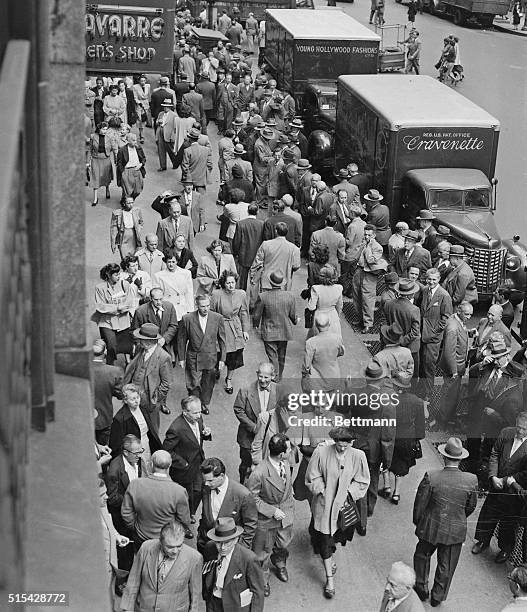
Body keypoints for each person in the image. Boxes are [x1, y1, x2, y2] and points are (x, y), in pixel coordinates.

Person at [306, 427, 370, 599]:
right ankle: (329, 580)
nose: (342, 448)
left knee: (336, 537)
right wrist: (322, 489)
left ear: (352, 442)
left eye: (346, 445)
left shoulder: (358, 456)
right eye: (339, 445)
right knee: (325, 541)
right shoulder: (321, 452)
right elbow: (312, 476)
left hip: (344, 509)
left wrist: (349, 492)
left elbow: (363, 480)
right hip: (324, 506)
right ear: (334, 441)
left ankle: (330, 559)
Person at [413, 437, 478, 607]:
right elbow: (470, 507)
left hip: (430, 526)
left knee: (422, 556)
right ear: (461, 458)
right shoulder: (471, 480)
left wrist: (419, 522)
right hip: (454, 530)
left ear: (444, 456)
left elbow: (420, 504)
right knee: (447, 565)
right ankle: (437, 596)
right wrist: (458, 518)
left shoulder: (431, 476)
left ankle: (421, 588)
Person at [472, 414, 527, 564]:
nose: (520, 431)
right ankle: (483, 541)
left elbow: (526, 472)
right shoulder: (506, 432)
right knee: (488, 514)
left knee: (508, 521)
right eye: (518, 427)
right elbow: (495, 453)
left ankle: (505, 549)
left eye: (524, 429)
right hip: (497, 484)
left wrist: (507, 480)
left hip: (514, 490)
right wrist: (493, 476)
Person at [246, 433, 294, 597]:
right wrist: (272, 511)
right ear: (281, 453)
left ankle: (280, 563)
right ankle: (263, 580)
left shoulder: (285, 463)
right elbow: (251, 498)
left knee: (283, 544)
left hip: (286, 513)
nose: (291, 451)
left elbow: (287, 486)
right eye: (289, 449)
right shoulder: (259, 473)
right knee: (263, 552)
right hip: (267, 519)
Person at [121, 519, 202, 612]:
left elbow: (196, 596)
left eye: (179, 546)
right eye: (170, 547)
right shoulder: (146, 548)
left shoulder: (194, 558)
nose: (175, 551)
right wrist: (127, 608)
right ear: (161, 541)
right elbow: (134, 580)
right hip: (144, 608)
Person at [122, 450, 192, 549]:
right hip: (168, 540)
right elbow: (184, 520)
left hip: (141, 537)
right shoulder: (179, 491)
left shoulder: (135, 484)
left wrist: (134, 527)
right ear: (170, 465)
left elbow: (126, 512)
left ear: (151, 464)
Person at [163, 396, 212, 519]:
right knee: (185, 496)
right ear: (185, 412)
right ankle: (182, 520)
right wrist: (183, 463)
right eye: (195, 413)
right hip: (183, 470)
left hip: (198, 463)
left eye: (200, 411)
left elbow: (197, 439)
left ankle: (190, 514)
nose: (199, 415)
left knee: (199, 491)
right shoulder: (176, 428)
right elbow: (166, 450)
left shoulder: (199, 420)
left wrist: (206, 434)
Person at [202, 517, 265, 612]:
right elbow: (207, 572)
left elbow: (258, 592)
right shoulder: (209, 548)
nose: (223, 547)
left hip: (235, 606)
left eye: (227, 543)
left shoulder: (249, 559)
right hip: (213, 603)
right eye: (218, 543)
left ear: (236, 539)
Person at [380, 372, 425, 506]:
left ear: (394, 385)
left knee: (385, 459)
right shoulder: (417, 401)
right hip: (407, 438)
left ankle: (387, 487)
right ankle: (396, 493)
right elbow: (420, 427)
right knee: (401, 464)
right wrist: (416, 438)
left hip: (389, 434)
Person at [177, 295, 226, 415]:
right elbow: (181, 339)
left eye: (207, 306)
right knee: (193, 383)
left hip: (210, 356)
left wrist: (222, 359)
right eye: (202, 306)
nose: (205, 309)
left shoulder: (217, 318)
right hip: (193, 356)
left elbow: (222, 340)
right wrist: (181, 358)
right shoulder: (187, 318)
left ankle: (203, 402)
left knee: (208, 382)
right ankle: (196, 405)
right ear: (197, 306)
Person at [198, 458, 258, 554]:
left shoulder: (243, 494)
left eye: (210, 480)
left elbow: (250, 525)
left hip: (229, 547)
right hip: (206, 544)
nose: (206, 484)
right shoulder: (207, 486)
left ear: (221, 476)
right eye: (205, 480)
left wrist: (240, 550)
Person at [106, 434, 148, 571]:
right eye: (136, 453)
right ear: (125, 452)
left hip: (137, 513)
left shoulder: (138, 460)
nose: (139, 455)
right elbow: (112, 498)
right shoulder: (114, 470)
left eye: (141, 451)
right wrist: (132, 500)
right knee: (125, 550)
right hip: (121, 516)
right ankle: (124, 577)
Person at [233, 363, 277, 484]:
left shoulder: (279, 390)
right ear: (257, 374)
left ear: (273, 376)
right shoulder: (245, 390)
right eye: (260, 376)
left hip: (269, 437)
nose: (262, 380)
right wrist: (253, 428)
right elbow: (238, 410)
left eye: (266, 377)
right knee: (246, 464)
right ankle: (242, 484)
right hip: (248, 437)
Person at [123, 322, 172, 425]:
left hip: (149, 402)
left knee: (151, 428)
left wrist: (154, 400)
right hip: (133, 396)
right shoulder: (140, 348)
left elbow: (166, 384)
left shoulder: (164, 357)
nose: (139, 341)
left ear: (149, 341)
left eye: (141, 339)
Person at [253, 272, 298, 382]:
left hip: (269, 331)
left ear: (270, 282)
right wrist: (295, 321)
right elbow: (292, 315)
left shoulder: (263, 296)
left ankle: (275, 375)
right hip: (284, 330)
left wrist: (255, 325)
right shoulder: (290, 296)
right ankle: (279, 375)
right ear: (282, 284)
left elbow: (257, 314)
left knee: (272, 356)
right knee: (282, 355)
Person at [434, 301, 473, 427]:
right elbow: (448, 352)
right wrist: (454, 371)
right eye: (467, 314)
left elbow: (461, 330)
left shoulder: (455, 320)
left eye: (470, 314)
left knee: (451, 393)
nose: (469, 317)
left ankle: (446, 416)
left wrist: (469, 333)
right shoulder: (452, 328)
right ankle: (443, 420)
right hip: (454, 368)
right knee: (449, 395)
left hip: (457, 366)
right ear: (459, 312)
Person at [210, 271, 250, 394]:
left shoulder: (241, 294)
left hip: (235, 327)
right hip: (220, 326)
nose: (231, 285)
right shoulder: (216, 294)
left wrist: (245, 330)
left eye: (233, 282)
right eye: (228, 283)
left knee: (234, 356)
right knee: (217, 353)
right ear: (223, 283)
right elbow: (211, 312)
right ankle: (216, 370)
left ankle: (229, 379)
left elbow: (244, 312)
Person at [419, 268, 453, 399]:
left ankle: (428, 393)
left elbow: (446, 317)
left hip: (433, 337)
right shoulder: (425, 290)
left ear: (439, 280)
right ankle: (421, 387)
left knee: (429, 365)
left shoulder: (444, 295)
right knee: (422, 363)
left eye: (434, 279)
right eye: (429, 279)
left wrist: (435, 331)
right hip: (422, 333)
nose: (431, 282)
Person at [109, 383, 162, 463]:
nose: (137, 401)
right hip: (132, 453)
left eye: (137, 397)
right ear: (125, 401)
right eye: (132, 399)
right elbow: (116, 445)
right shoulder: (119, 419)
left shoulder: (142, 408)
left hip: (146, 445)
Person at [94, 263, 134, 365]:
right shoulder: (100, 288)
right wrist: (117, 308)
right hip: (107, 322)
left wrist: (121, 308)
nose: (118, 276)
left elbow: (129, 302)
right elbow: (100, 306)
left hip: (123, 322)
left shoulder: (124, 284)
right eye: (116, 275)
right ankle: (109, 365)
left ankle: (128, 364)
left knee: (126, 347)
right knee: (111, 345)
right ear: (108, 274)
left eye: (119, 274)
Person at [352, 224, 388, 334]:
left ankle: (368, 323)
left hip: (369, 274)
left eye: (369, 235)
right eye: (365, 234)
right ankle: (360, 319)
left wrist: (368, 247)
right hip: (359, 271)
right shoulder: (363, 243)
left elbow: (371, 260)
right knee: (356, 295)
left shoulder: (377, 247)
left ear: (374, 235)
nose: (366, 236)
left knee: (368, 299)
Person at [384, 278, 421, 379]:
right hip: (410, 347)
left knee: (395, 371)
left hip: (392, 343)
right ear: (411, 294)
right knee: (411, 374)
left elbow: (387, 324)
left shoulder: (389, 304)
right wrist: (402, 341)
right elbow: (415, 332)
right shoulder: (414, 309)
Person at [250, 222, 301, 292]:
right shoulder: (294, 249)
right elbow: (296, 266)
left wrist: (253, 277)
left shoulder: (266, 244)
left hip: (266, 283)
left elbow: (257, 263)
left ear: (276, 231)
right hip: (284, 284)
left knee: (265, 301)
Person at [302, 312, 345, 394]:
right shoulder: (337, 338)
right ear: (329, 324)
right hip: (333, 377)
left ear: (316, 326)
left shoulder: (310, 343)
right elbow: (341, 352)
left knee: (317, 404)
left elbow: (306, 365)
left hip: (317, 381)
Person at [132, 287, 178, 361]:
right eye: (156, 300)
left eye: (161, 299)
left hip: (165, 347)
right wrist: (145, 346)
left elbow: (173, 325)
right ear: (150, 298)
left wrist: (164, 339)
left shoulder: (170, 307)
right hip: (147, 349)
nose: (159, 302)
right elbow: (134, 331)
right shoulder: (140, 311)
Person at [92, 339, 123, 446]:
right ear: (105, 352)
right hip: (103, 419)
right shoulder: (114, 371)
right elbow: (120, 394)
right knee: (104, 449)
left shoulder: (78, 369)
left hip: (83, 420)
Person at [154, 248, 195, 322]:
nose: (171, 264)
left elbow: (189, 293)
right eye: (169, 262)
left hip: (182, 308)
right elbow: (157, 295)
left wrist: (190, 310)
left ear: (177, 262)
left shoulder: (186, 273)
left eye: (173, 262)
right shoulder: (159, 276)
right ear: (165, 262)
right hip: (167, 308)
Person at [306, 264, 343, 340]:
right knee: (333, 338)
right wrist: (337, 315)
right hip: (332, 314)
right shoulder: (339, 288)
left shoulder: (316, 288)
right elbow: (340, 305)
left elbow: (311, 307)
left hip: (319, 314)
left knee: (318, 337)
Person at [232, 203, 264, 290]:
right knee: (255, 281)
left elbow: (237, 240)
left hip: (244, 255)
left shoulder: (241, 223)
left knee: (243, 280)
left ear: (247, 211)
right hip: (257, 256)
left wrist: (235, 252)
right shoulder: (262, 224)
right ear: (257, 212)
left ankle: (242, 296)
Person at [116, 132, 146, 202]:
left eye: (136, 140)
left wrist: (141, 164)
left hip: (137, 170)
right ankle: (127, 203)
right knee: (128, 191)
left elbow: (143, 158)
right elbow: (119, 163)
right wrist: (123, 173)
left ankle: (130, 199)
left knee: (138, 191)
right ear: (128, 141)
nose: (135, 142)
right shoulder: (122, 150)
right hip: (127, 171)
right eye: (133, 140)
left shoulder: (138, 148)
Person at [181, 128, 213, 194]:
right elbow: (210, 165)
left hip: (190, 180)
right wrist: (204, 174)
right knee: (201, 200)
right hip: (201, 180)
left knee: (190, 200)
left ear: (189, 138)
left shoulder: (187, 151)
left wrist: (187, 180)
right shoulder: (206, 150)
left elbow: (185, 168)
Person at [88, 122, 113, 205]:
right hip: (96, 159)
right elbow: (90, 149)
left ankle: (107, 189)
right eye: (103, 129)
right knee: (95, 178)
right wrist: (88, 162)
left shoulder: (109, 137)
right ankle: (95, 198)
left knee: (106, 176)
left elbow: (113, 148)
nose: (105, 131)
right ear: (99, 129)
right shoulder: (93, 137)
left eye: (106, 129)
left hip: (106, 159)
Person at [155, 98, 179, 171]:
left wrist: (172, 136)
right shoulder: (161, 114)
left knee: (171, 151)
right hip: (160, 132)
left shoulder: (174, 115)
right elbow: (156, 122)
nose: (165, 108)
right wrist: (158, 122)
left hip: (169, 134)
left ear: (170, 107)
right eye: (164, 106)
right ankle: (163, 166)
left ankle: (175, 163)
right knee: (161, 150)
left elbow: (175, 127)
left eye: (167, 106)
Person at [132, 74, 151, 144]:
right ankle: (141, 135)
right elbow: (135, 97)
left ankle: (142, 133)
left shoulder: (148, 86)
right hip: (139, 105)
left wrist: (149, 104)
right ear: (139, 81)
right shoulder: (135, 87)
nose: (143, 82)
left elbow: (149, 96)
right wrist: (139, 103)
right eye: (141, 81)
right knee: (140, 120)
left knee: (144, 120)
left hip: (146, 105)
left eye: (144, 81)